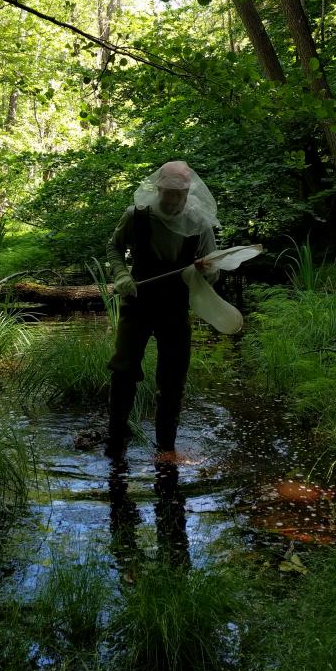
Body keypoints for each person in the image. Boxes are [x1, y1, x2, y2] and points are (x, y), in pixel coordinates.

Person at [105, 160, 219, 457]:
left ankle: (166, 448)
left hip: (175, 306)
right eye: (167, 193)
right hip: (137, 300)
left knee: (173, 378)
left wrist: (206, 270)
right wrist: (121, 274)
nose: (172, 200)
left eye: (178, 195)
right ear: (158, 190)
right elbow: (113, 248)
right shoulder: (136, 216)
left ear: (187, 193)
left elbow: (215, 269)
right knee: (123, 369)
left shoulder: (200, 223)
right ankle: (115, 439)